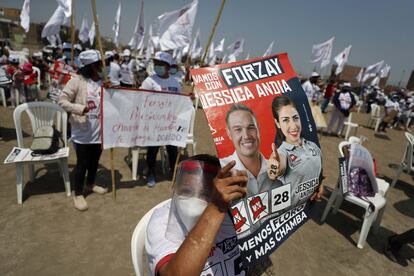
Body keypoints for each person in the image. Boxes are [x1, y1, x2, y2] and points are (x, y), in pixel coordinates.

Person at [145, 154, 249, 275]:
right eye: (186, 191)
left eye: (205, 194)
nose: (194, 201)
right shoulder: (162, 219)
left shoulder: (234, 211)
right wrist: (216, 206)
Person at [58, 50, 108, 211]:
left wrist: (111, 90)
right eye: (98, 65)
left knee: (94, 161)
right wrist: (80, 108)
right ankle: (78, 193)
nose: (101, 67)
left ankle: (90, 184)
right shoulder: (76, 81)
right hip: (82, 131)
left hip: (99, 131)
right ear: (90, 66)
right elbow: (62, 101)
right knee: (83, 163)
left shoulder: (102, 82)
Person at [267, 95, 324, 207]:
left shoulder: (312, 145)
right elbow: (276, 167)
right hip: (289, 212)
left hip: (308, 205)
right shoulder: (282, 153)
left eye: (295, 118)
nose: (293, 126)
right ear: (278, 123)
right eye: (285, 120)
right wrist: (274, 168)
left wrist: (319, 184)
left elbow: (319, 171)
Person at [140, 51, 182, 187]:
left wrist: (189, 98)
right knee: (153, 149)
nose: (157, 66)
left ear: (168, 67)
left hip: (170, 123)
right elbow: (139, 96)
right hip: (154, 123)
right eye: (156, 64)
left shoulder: (175, 82)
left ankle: (174, 173)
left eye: (160, 64)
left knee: (172, 150)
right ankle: (151, 173)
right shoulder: (150, 80)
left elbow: (180, 100)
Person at [221, 103, 282, 196]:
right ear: (229, 133)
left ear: (258, 129)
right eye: (238, 129)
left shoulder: (277, 168)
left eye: (251, 128)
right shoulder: (221, 170)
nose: (246, 136)